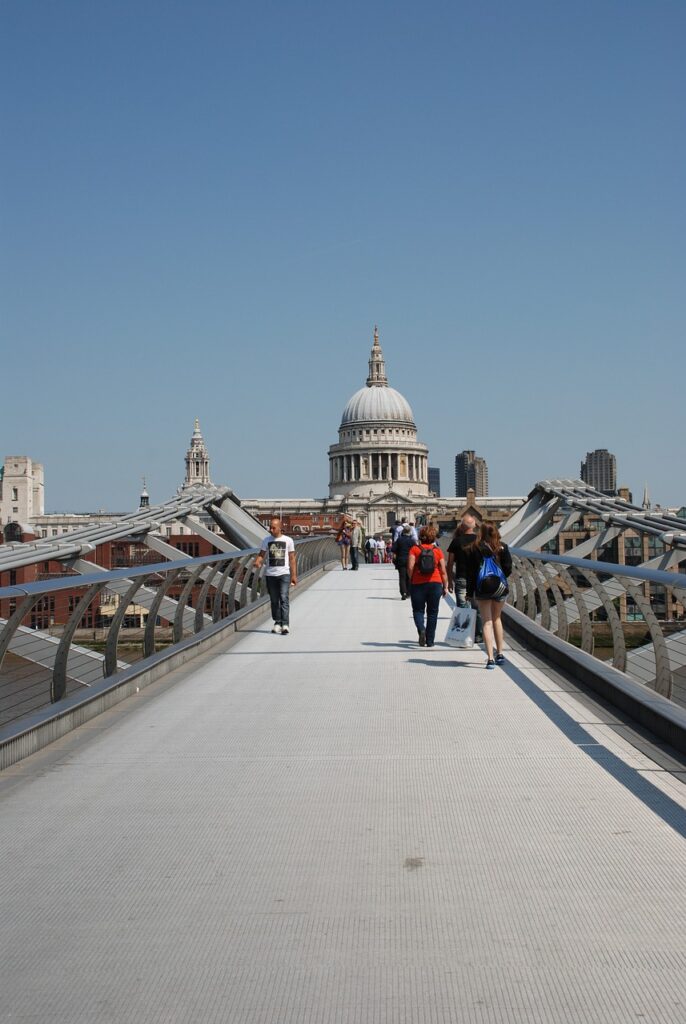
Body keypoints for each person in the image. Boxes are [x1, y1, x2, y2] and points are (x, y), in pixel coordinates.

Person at [456, 522, 512, 669]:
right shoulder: (503, 547)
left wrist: (469, 592)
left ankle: (490, 659)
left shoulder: (474, 548)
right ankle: (500, 654)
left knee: (487, 622)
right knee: (497, 619)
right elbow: (508, 568)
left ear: (480, 532)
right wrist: (499, 579)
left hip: (482, 589)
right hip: (500, 588)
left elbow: (470, 573)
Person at [253, 517, 297, 635]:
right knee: (274, 600)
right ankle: (277, 622)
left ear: (280, 528)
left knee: (284, 598)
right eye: (270, 527)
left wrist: (294, 575)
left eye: (273, 527)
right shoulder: (266, 540)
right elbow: (261, 554)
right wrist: (258, 561)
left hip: (284, 573)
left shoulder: (288, 540)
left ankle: (285, 624)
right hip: (270, 574)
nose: (270, 529)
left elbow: (292, 558)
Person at [407, 524, 449, 647]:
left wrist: (413, 578)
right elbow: (443, 571)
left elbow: (410, 567)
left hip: (418, 584)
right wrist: (445, 586)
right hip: (435, 584)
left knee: (418, 610)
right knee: (432, 613)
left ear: (421, 536)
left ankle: (421, 630)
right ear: (433, 538)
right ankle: (430, 641)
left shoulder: (414, 549)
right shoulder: (437, 551)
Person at [447, 514, 483, 640]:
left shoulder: (456, 541)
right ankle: (478, 635)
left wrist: (449, 581)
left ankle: (464, 635)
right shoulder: (480, 541)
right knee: (477, 608)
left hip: (461, 578)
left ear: (462, 527)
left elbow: (450, 562)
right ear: (474, 526)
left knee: (463, 607)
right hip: (478, 579)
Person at [392, 522, 415, 599]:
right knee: (409, 577)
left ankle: (403, 593)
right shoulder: (412, 541)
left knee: (402, 577)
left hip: (401, 560)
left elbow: (393, 550)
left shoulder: (399, 540)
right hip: (410, 560)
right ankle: (408, 592)